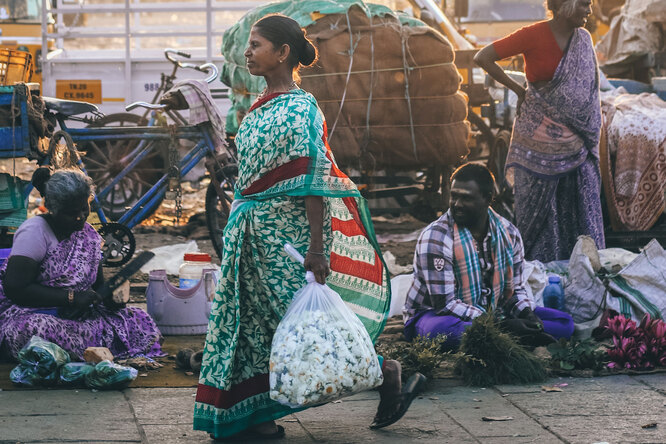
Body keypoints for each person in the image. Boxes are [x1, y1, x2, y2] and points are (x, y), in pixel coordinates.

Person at [192, 14, 425, 441]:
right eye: (249, 44)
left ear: (283, 53)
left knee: (304, 327)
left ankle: (383, 371)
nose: (248, 51)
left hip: (291, 241)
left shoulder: (301, 108)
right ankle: (256, 416)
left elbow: (313, 180)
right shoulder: (256, 107)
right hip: (253, 235)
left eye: (257, 44)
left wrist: (317, 249)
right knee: (252, 325)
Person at [473, 0, 604, 262]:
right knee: (542, 210)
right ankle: (543, 269)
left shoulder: (584, 39)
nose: (589, 11)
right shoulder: (532, 34)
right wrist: (519, 89)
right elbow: (483, 57)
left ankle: (586, 268)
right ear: (565, 4)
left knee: (581, 200)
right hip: (537, 136)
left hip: (578, 139)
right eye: (583, 4)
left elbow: (590, 91)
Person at [403, 163, 574, 350]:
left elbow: (514, 289)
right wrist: (500, 325)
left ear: (487, 198)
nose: (457, 204)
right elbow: (445, 305)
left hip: (491, 312)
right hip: (434, 316)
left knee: (565, 323)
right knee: (442, 331)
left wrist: (526, 314)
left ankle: (505, 335)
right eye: (454, 196)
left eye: (466, 198)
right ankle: (508, 335)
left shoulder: (509, 233)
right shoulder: (436, 237)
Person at [0, 168, 163, 361]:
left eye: (84, 209)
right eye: (71, 213)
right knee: (35, 331)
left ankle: (80, 352)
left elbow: (96, 286)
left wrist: (110, 299)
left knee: (139, 319)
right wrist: (70, 298)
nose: (80, 217)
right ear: (53, 208)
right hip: (34, 313)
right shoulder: (34, 232)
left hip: (80, 317)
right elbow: (15, 288)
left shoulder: (89, 234)